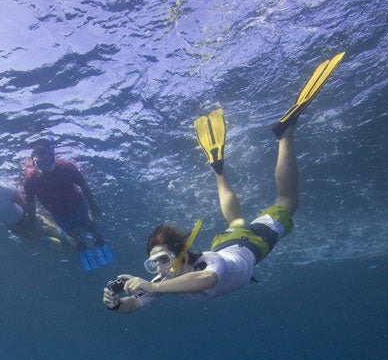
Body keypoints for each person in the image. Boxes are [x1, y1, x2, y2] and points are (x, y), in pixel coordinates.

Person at [103, 52, 345, 312]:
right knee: (236, 222)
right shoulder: (165, 280)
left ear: (182, 255)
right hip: (229, 242)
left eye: (163, 259)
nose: (159, 269)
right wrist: (115, 304)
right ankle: (218, 168)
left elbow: (207, 279)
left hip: (251, 243)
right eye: (154, 264)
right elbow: (136, 306)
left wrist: (153, 286)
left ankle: (285, 134)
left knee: (287, 201)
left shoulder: (211, 264)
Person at [21, 138, 112, 270]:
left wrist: (92, 205)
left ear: (51, 157)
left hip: (79, 205)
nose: (41, 163)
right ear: (34, 163)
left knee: (90, 226)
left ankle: (98, 239)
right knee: (73, 233)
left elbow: (84, 186)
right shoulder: (30, 180)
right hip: (59, 214)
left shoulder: (66, 167)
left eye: (44, 157)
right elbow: (31, 203)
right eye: (38, 160)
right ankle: (81, 244)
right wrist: (33, 220)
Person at [0, 163, 66, 247]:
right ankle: (57, 243)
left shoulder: (7, 191)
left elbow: (24, 205)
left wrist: (32, 220)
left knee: (39, 231)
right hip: (10, 225)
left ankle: (64, 238)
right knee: (31, 238)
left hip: (23, 217)